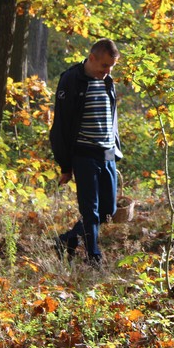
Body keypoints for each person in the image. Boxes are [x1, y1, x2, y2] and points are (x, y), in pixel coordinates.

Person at [50, 38, 122, 265]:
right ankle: (94, 256)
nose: (107, 71)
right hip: (84, 152)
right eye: (104, 66)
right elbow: (61, 125)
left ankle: (67, 239)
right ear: (92, 58)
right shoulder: (72, 79)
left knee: (108, 209)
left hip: (107, 152)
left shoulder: (108, 81)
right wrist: (65, 165)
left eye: (111, 67)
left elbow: (112, 118)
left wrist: (116, 149)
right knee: (90, 210)